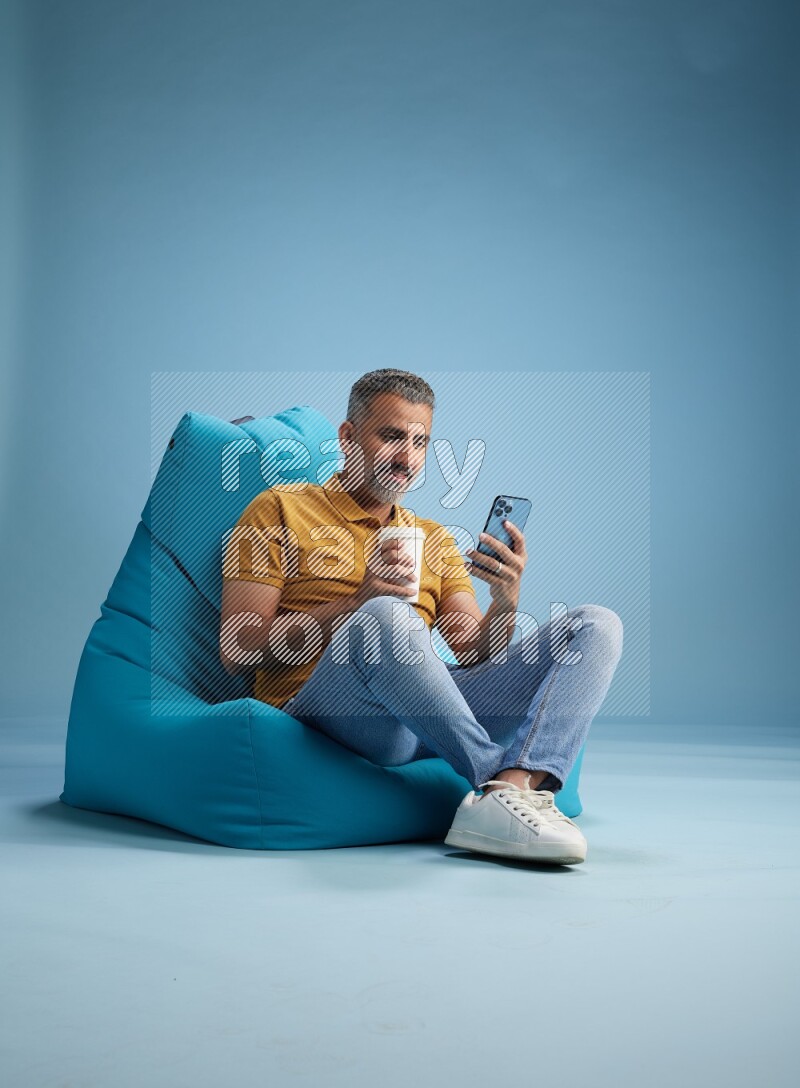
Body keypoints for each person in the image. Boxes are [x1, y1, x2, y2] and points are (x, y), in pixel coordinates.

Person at [220, 369, 624, 865]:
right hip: (330, 711)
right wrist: (354, 603)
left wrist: (504, 598)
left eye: (420, 442)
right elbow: (237, 650)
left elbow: (477, 653)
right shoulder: (278, 509)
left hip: (423, 717)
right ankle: (494, 783)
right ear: (348, 438)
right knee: (385, 617)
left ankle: (515, 787)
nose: (407, 459)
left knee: (595, 625)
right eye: (391, 437)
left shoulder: (433, 539)